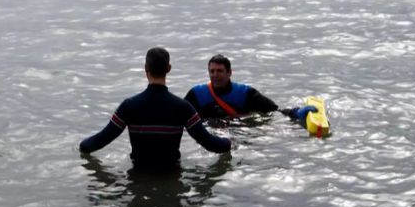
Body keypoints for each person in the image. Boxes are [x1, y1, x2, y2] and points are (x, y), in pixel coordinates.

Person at [79, 47, 231, 170]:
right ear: (168, 68)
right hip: (171, 175)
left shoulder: (129, 106)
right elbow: (210, 143)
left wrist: (82, 146)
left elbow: (101, 139)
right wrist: (229, 143)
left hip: (138, 174)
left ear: (146, 69)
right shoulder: (183, 107)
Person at [184, 54, 318, 123]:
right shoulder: (197, 94)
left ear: (229, 72)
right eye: (212, 71)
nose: (215, 75)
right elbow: (178, 116)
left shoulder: (245, 93)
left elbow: (274, 111)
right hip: (208, 134)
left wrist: (296, 113)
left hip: (239, 131)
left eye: (219, 71)